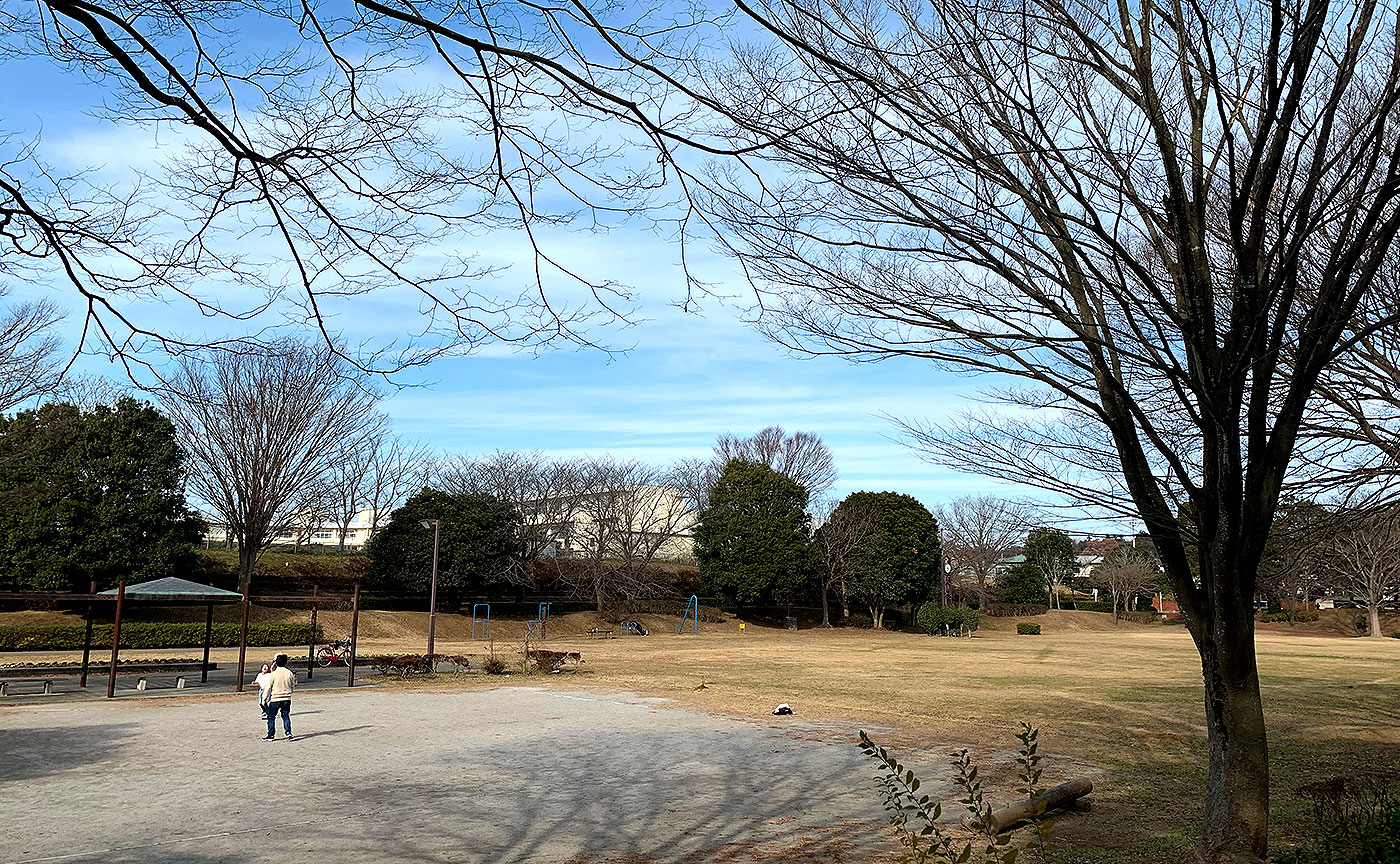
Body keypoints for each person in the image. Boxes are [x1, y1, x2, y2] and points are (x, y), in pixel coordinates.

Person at [262, 653, 297, 741]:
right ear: (285, 663)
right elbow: (292, 685)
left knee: (271, 717)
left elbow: (268, 687)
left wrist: (264, 699)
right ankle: (288, 733)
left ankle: (271, 735)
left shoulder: (273, 674)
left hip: (276, 698)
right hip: (286, 698)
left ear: (276, 663)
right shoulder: (289, 673)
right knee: (285, 716)